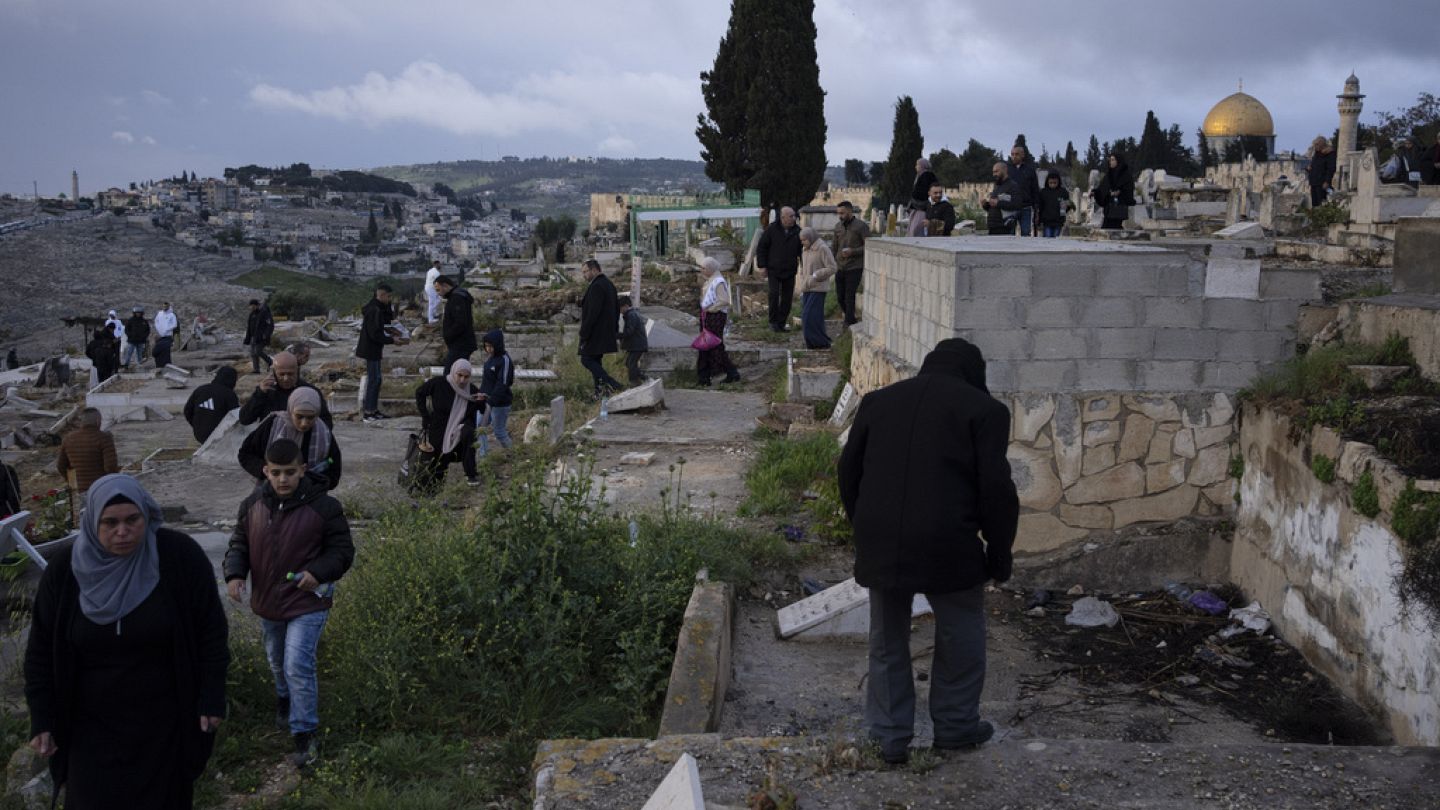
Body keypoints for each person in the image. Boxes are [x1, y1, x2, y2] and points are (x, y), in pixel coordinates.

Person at [837, 338, 1018, 766]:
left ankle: (887, 736)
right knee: (960, 632)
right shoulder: (985, 411)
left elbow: (849, 470)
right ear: (973, 373)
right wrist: (999, 552)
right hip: (948, 543)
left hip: (881, 538)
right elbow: (996, 490)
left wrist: (863, 524)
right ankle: (955, 728)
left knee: (886, 640)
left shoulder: (878, 402)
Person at [24, 474, 229, 808]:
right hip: (88, 728)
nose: (123, 531)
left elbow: (211, 632)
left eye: (132, 519)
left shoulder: (178, 557)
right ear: (91, 522)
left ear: (146, 514)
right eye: (110, 522)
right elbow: (41, 651)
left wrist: (211, 697)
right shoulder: (65, 571)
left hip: (164, 723)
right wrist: (42, 718)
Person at [224, 440, 353, 768]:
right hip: (268, 600)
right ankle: (284, 699)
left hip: (309, 600)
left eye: (290, 472)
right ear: (265, 471)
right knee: (277, 660)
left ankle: (305, 736)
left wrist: (317, 572)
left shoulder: (325, 507)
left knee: (298, 663)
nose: (283, 479)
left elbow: (341, 551)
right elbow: (239, 542)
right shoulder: (252, 504)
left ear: (303, 470)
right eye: (276, 473)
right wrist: (234, 574)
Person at [239, 388, 342, 491]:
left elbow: (333, 464)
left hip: (309, 496)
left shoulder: (323, 433)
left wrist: (314, 482)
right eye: (299, 416)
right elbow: (245, 454)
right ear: (290, 410)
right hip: (270, 494)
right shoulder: (272, 426)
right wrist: (268, 471)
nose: (304, 423)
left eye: (310, 417)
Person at [414, 359, 483, 489]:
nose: (462, 380)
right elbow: (420, 393)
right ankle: (432, 492)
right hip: (439, 428)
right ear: (453, 372)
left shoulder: (471, 390)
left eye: (466, 377)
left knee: (469, 434)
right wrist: (425, 416)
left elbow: (482, 409)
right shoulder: (440, 383)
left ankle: (471, 474)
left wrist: (481, 401)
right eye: (459, 375)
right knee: (438, 463)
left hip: (458, 430)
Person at [238, 351, 333, 428]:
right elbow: (245, 419)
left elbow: (327, 424)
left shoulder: (310, 392)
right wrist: (259, 395)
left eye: (290, 374)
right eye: (282, 374)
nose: (286, 378)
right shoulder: (266, 392)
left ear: (297, 371)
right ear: (274, 373)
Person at [578, 259, 624, 398]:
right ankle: (599, 392)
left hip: (596, 333)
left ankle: (612, 383)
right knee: (595, 360)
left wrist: (584, 334)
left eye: (585, 272)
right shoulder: (608, 284)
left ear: (594, 270)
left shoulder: (597, 286)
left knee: (586, 359)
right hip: (606, 332)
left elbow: (592, 313)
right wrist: (614, 330)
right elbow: (616, 310)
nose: (584, 275)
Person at [356, 283, 399, 422]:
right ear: (381, 295)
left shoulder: (379, 307)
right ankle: (368, 412)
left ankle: (373, 410)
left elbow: (388, 319)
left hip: (374, 349)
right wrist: (392, 340)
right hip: (371, 349)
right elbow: (375, 334)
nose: (390, 298)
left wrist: (388, 305)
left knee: (377, 379)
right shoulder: (374, 310)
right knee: (374, 380)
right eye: (388, 296)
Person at [696, 257, 741, 386]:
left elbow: (724, 300)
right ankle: (705, 377)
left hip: (715, 317)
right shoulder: (711, 280)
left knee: (714, 346)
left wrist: (711, 309)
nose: (701, 270)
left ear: (710, 269)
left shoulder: (718, 281)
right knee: (706, 346)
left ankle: (729, 372)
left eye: (703, 268)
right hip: (708, 316)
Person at [756, 207, 802, 332]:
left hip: (790, 270)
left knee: (787, 298)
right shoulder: (772, 230)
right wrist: (762, 266)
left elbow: (802, 251)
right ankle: (772, 322)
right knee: (774, 294)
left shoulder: (798, 231)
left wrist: (805, 267)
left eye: (794, 216)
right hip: (774, 269)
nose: (794, 218)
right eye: (791, 216)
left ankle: (781, 324)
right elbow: (762, 248)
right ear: (783, 218)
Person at [57, 408, 119, 496]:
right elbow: (110, 467)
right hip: (100, 489)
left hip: (78, 491)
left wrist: (72, 481)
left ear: (82, 422)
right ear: (98, 421)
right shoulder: (104, 438)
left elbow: (61, 466)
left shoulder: (68, 438)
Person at [796, 227, 837, 350]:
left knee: (809, 316)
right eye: (801, 240)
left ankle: (819, 342)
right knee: (813, 317)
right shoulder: (805, 250)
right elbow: (804, 268)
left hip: (818, 287)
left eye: (804, 240)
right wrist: (803, 283)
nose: (802, 242)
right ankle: (814, 343)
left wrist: (816, 275)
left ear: (811, 238)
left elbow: (832, 268)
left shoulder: (822, 248)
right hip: (807, 288)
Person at [477, 330, 515, 457]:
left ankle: (513, 454)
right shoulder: (490, 359)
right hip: (485, 401)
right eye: (486, 346)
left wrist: (492, 400)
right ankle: (484, 456)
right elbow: (486, 381)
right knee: (479, 427)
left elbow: (503, 383)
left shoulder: (505, 360)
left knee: (499, 431)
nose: (489, 349)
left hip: (499, 403)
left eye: (491, 346)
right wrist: (480, 395)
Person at [831, 200, 869, 327]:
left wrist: (853, 251)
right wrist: (833, 261)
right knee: (840, 297)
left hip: (855, 266)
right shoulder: (838, 227)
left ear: (850, 211)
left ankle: (848, 322)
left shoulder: (861, 226)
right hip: (840, 267)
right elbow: (834, 247)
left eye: (842, 213)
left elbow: (869, 246)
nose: (840, 216)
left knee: (849, 295)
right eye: (838, 213)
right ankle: (850, 318)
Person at [183, 367, 240, 443]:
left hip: (199, 433)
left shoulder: (200, 390)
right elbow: (235, 417)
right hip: (220, 435)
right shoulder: (229, 394)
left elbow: (187, 411)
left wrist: (197, 425)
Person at [436, 275, 476, 373]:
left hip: (460, 344)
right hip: (459, 344)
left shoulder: (457, 298)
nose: (438, 293)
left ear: (445, 286)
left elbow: (460, 322)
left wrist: (448, 335)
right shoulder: (456, 296)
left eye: (438, 289)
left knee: (450, 374)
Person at [1093, 153, 1134, 230]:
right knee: (1107, 226)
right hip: (1109, 208)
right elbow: (1102, 188)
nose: (1110, 162)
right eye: (1110, 160)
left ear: (1118, 161)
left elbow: (1129, 188)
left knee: (1114, 226)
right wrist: (1095, 192)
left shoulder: (1125, 175)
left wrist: (1120, 191)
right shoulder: (1109, 174)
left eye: (1113, 160)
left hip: (1119, 206)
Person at [1007, 144, 1042, 237]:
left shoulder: (1030, 170)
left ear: (1023, 155)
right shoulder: (1007, 170)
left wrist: (1036, 207)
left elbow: (1035, 189)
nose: (1014, 156)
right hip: (1011, 207)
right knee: (1009, 234)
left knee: (1026, 233)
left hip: (1026, 207)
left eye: (1016, 154)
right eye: (1012, 154)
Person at [981, 162, 1022, 235]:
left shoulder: (1013, 186)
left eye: (996, 171)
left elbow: (1016, 205)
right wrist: (985, 205)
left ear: (1005, 170)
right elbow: (994, 207)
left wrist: (998, 203)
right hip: (993, 226)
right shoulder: (997, 186)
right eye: (993, 172)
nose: (994, 174)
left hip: (1004, 227)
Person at [617, 295, 648, 386]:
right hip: (637, 344)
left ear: (626, 306)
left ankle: (634, 383)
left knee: (631, 364)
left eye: (620, 308)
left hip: (637, 345)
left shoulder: (631, 315)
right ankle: (644, 378)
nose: (620, 311)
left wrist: (617, 335)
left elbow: (629, 332)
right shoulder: (632, 314)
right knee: (629, 363)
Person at [243, 299, 274, 375]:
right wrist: (247, 338)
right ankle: (256, 369)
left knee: (258, 351)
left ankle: (270, 362)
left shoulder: (264, 313)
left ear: (257, 305)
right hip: (253, 337)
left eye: (253, 306)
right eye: (250, 306)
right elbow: (249, 327)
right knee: (253, 353)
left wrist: (266, 335)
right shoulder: (252, 314)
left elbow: (270, 325)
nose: (251, 307)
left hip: (261, 337)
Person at [907, 159, 938, 236]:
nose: (916, 167)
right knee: (913, 228)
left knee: (916, 228)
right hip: (918, 207)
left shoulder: (926, 175)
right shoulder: (920, 175)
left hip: (922, 208)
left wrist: (916, 201)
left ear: (922, 166)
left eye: (917, 165)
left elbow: (923, 193)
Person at [1037, 173, 1072, 238]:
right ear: (1047, 182)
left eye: (1055, 183)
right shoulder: (1043, 192)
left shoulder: (1063, 192)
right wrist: (1039, 221)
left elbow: (1066, 208)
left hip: (1058, 222)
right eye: (1051, 183)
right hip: (1046, 222)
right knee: (1047, 239)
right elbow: (1040, 207)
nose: (1053, 184)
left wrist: (1067, 207)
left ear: (1058, 182)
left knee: (1056, 240)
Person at [1307, 136, 1336, 207]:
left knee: (1322, 204)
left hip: (1322, 183)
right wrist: (1309, 168)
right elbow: (1314, 164)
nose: (1315, 146)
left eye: (1317, 144)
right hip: (1314, 182)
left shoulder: (1330, 154)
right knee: (1315, 205)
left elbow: (1331, 169)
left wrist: (1327, 181)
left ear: (1322, 144)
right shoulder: (1317, 153)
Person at [153, 302, 178, 368]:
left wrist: (167, 329)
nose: (165, 308)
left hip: (168, 336)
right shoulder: (160, 314)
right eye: (164, 306)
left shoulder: (172, 315)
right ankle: (159, 366)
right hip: (160, 336)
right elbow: (156, 321)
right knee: (157, 352)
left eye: (166, 306)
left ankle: (167, 366)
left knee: (166, 353)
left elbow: (174, 324)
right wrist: (159, 329)